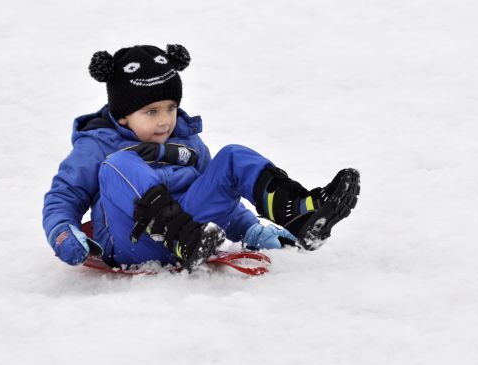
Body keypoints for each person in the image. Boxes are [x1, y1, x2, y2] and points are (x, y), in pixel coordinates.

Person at [43, 44, 360, 269]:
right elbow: (64, 195)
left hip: (196, 233)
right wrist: (62, 233)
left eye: (170, 108)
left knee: (233, 157)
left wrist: (249, 228)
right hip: (133, 241)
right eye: (151, 112)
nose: (165, 120)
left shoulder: (188, 139)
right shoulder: (98, 145)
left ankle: (298, 212)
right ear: (123, 115)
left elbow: (215, 192)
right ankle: (180, 237)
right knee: (120, 165)